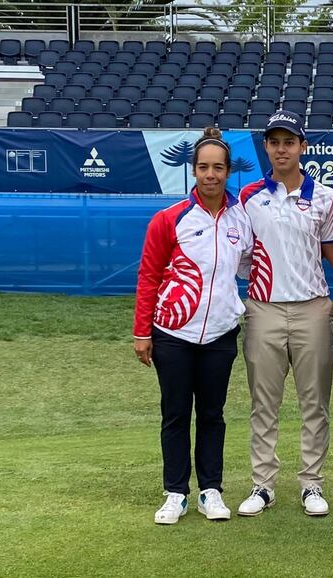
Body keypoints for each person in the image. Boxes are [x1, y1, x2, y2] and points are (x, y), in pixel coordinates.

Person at [133, 127, 253, 525]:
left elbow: (249, 264)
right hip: (173, 335)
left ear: (228, 171)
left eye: (218, 167)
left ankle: (211, 491)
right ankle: (175, 493)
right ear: (193, 170)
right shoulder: (169, 219)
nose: (211, 175)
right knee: (175, 413)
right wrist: (142, 332)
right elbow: (149, 276)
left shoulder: (242, 217)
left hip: (220, 333)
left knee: (213, 414)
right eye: (203, 167)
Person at [237, 110, 333, 517]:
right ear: (266, 146)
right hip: (262, 309)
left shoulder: (325, 196)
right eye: (274, 142)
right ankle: (262, 484)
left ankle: (311, 484)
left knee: (314, 403)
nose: (282, 149)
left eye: (289, 142)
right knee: (264, 403)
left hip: (313, 310)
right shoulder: (249, 197)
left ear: (302, 147)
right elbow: (241, 255)